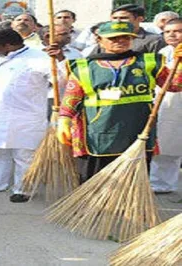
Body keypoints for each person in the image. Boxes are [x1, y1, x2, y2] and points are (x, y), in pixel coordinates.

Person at [56, 21, 182, 184]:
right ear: (99, 40)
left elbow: (174, 85)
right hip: (98, 136)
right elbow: (71, 97)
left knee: (134, 183)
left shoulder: (148, 62)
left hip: (138, 133)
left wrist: (180, 63)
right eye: (113, 38)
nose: (119, 41)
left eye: (125, 37)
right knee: (94, 181)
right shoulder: (84, 67)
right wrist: (64, 119)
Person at [0, 28, 66, 203]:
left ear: (8, 45)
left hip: (27, 117)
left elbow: (61, 82)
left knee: (24, 155)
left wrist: (59, 60)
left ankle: (23, 189)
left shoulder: (41, 59)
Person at [150, 19, 182, 194]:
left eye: (178, 31)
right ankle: (158, 182)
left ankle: (164, 183)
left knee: (175, 143)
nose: (172, 34)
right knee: (164, 142)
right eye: (168, 31)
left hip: (179, 101)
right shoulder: (162, 53)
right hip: (165, 103)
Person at [38, 24, 82, 118]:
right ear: (48, 36)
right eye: (64, 34)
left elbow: (77, 76)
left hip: (66, 99)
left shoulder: (75, 53)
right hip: (41, 99)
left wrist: (61, 59)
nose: (69, 36)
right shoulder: (33, 54)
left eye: (69, 33)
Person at [88, 4, 165, 54]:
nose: (118, 21)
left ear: (140, 19)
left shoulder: (154, 40)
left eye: (123, 18)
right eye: (114, 18)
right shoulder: (106, 39)